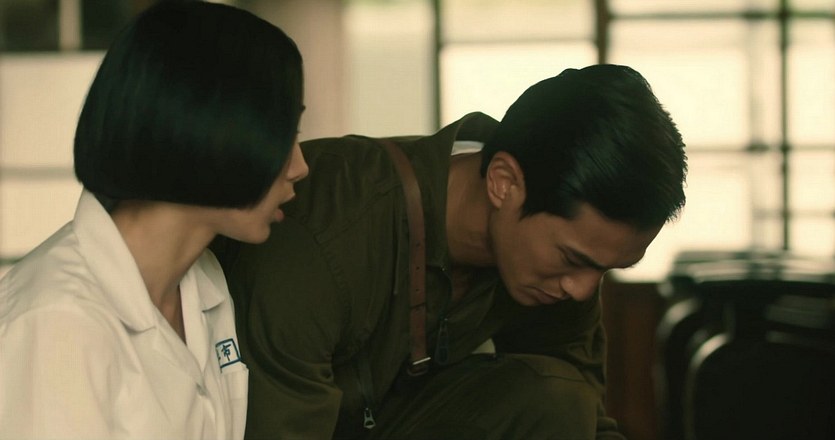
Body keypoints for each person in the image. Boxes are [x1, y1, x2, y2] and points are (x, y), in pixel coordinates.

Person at [213, 64, 687, 439]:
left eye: (607, 268)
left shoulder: (557, 266)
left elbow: (578, 414)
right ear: (504, 183)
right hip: (257, 424)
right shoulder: (324, 234)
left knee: (558, 398)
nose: (582, 290)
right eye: (574, 260)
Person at [0, 2, 308, 439]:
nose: (299, 167)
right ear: (207, 132)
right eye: (283, 136)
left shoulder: (204, 283)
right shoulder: (57, 325)